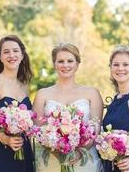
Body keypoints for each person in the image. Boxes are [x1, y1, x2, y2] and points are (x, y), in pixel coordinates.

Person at [33, 43, 103, 172]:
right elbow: (38, 131)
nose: (65, 65)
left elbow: (95, 130)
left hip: (85, 161)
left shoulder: (92, 93)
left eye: (70, 61)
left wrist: (80, 153)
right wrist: (55, 150)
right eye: (60, 61)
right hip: (52, 161)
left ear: (77, 64)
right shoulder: (42, 94)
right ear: (54, 64)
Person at [0, 35, 34, 172]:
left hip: (23, 149)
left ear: (22, 55)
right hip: (2, 150)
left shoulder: (24, 85)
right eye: (6, 52)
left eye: (15, 51)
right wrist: (5, 139)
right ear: (0, 57)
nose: (11, 55)